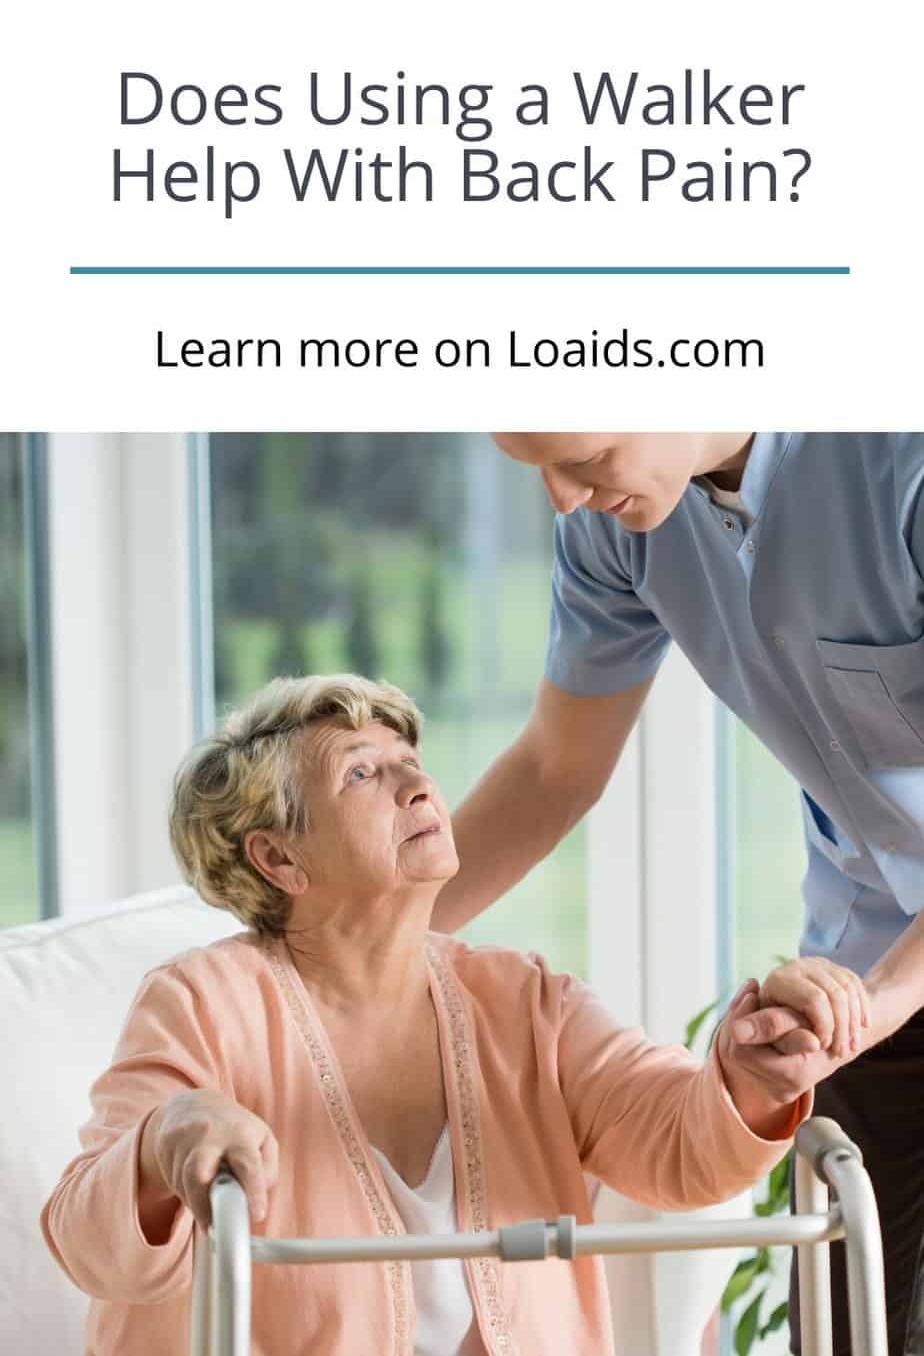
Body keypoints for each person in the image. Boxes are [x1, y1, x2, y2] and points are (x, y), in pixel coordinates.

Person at [43, 671, 837, 1356]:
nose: (418, 787)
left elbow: (677, 1141)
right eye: (362, 775)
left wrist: (746, 1079)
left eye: (410, 763)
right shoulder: (200, 1005)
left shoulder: (521, 999)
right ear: (279, 858)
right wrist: (163, 1139)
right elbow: (87, 1237)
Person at [432, 431, 924, 1356]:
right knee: (862, 1320)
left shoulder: (898, 455)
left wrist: (876, 1003)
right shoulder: (620, 527)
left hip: (884, 990)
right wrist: (345, 939)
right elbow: (553, 769)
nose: (563, 499)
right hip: (866, 960)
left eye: (585, 454)